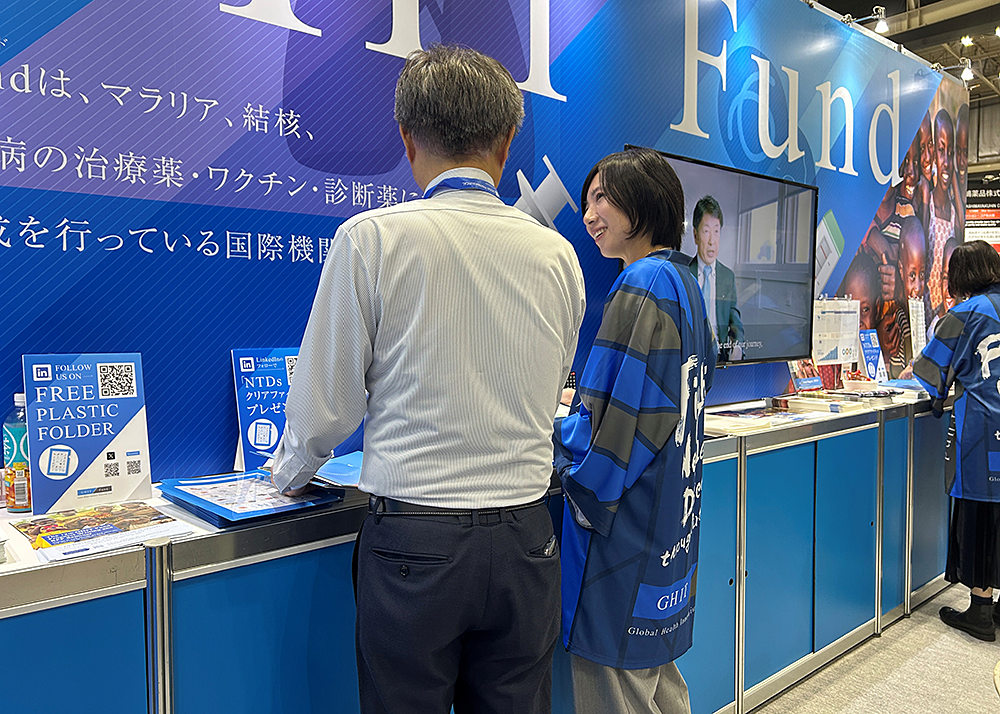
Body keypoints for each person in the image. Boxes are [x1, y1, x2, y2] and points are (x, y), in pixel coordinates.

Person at [270, 44, 586, 713]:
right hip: (528, 539)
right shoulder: (558, 255)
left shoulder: (371, 238)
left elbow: (326, 406)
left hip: (414, 544)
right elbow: (553, 382)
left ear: (407, 140)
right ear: (507, 142)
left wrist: (290, 472)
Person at [553, 148, 716, 714]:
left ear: (642, 201)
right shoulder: (685, 281)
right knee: (660, 680)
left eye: (602, 197)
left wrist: (551, 439)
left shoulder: (641, 283)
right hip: (669, 520)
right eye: (587, 201)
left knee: (614, 684)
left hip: (622, 531)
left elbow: (607, 431)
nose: (589, 214)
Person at [913, 240, 1000, 642]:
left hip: (982, 429)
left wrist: (937, 395)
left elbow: (930, 369)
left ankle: (980, 610)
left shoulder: (966, 312)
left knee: (980, 510)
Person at [689, 195, 744, 360]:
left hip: (720, 357)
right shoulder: (683, 273)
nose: (712, 241)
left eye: (716, 231)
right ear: (695, 235)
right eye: (706, 231)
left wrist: (738, 345)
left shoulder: (728, 277)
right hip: (691, 358)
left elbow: (734, 318)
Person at [927, 109, 958, 315]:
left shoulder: (954, 214)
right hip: (926, 309)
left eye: (950, 152)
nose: (946, 162)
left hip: (947, 310)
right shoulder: (926, 205)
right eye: (940, 150)